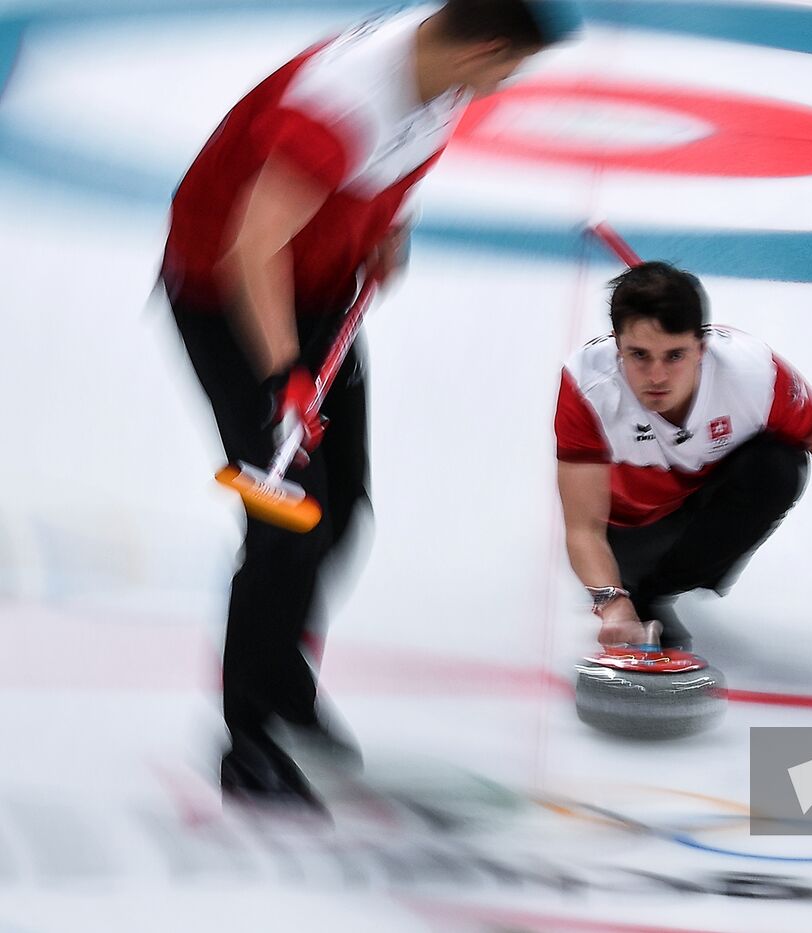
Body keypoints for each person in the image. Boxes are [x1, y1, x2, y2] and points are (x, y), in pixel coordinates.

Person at [162, 0, 575, 809]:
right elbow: (251, 248)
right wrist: (284, 374)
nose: (502, 86)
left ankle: (282, 685)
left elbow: (400, 156)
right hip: (233, 298)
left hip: (319, 290)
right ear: (486, 45)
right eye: (508, 69)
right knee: (289, 520)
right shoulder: (341, 104)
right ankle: (246, 740)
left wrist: (386, 226)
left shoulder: (442, 69)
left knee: (343, 510)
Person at [555, 261, 812, 650]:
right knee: (624, 574)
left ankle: (657, 591)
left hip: (699, 506)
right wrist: (612, 603)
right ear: (616, 346)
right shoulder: (588, 386)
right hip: (631, 530)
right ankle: (638, 596)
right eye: (639, 355)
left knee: (781, 464)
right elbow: (583, 528)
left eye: (674, 355)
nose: (657, 377)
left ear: (701, 347)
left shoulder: (752, 375)